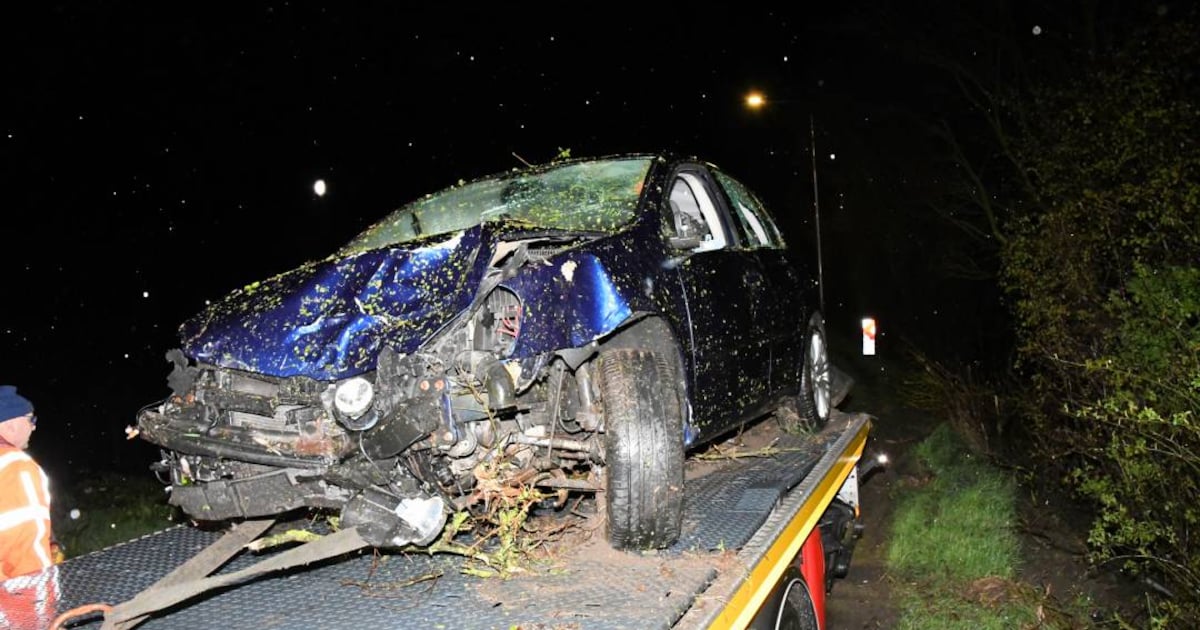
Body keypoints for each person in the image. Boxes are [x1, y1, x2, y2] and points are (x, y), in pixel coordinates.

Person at [0, 385, 55, 579]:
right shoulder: (15, 466)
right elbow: (25, 552)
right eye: (30, 419)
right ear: (9, 425)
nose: (34, 426)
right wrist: (39, 606)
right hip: (12, 601)